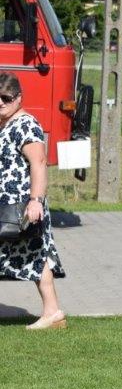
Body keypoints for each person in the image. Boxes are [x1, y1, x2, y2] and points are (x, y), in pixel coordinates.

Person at [0, 72, 66, 330]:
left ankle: (52, 312)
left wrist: (35, 201)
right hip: (6, 205)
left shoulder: (26, 124)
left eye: (6, 98)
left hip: (22, 207)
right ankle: (53, 312)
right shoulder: (5, 124)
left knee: (36, 257)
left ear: (19, 98)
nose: (1, 102)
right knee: (34, 257)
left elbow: (39, 163)